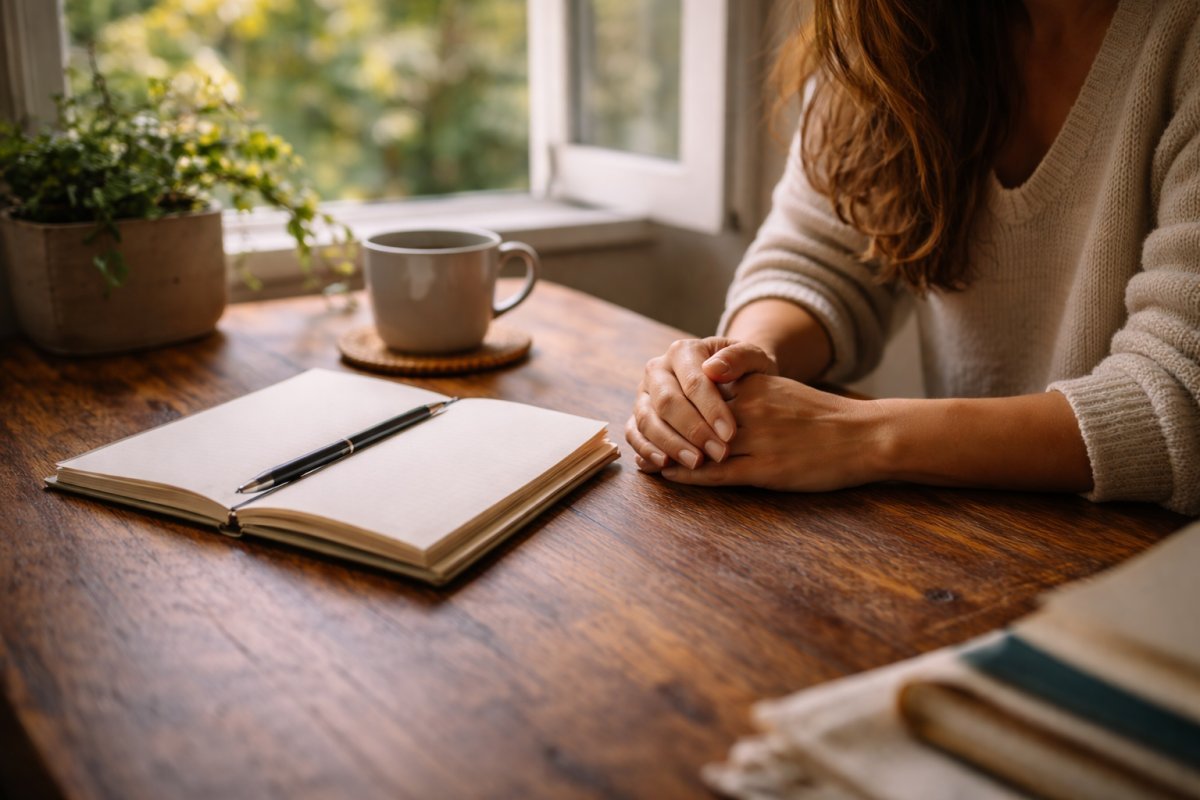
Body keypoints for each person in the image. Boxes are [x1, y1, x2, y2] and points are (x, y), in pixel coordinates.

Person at [625, 0, 1200, 516]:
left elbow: (1179, 397)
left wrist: (857, 436)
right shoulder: (888, 29)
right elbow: (816, 255)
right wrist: (735, 371)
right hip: (973, 531)